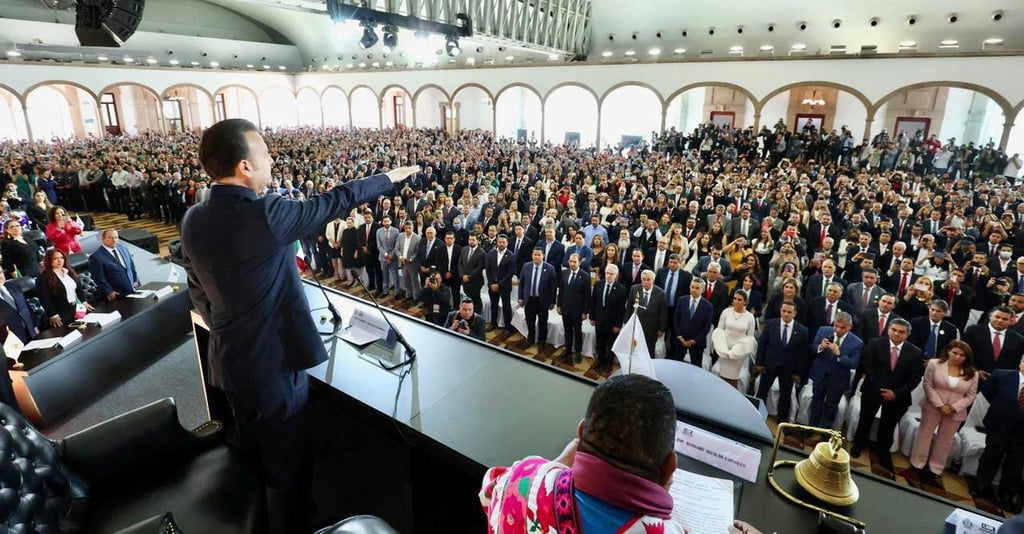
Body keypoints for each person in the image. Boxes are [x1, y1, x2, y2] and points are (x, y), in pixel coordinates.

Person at [180, 118, 418, 531]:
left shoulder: (193, 218)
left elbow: (197, 288)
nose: (272, 161)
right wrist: (390, 177)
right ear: (244, 167)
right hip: (273, 368)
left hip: (229, 362)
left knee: (252, 458)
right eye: (265, 154)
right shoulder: (265, 214)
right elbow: (334, 201)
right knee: (287, 472)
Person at [479, 374, 684, 533]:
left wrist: (554, 465)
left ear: (580, 433)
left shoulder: (521, 476)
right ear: (669, 468)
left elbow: (488, 493)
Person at [850, 318, 925, 474]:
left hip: (897, 397)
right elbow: (867, 368)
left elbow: (915, 379)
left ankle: (883, 451)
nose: (897, 334)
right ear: (889, 329)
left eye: (901, 332)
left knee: (888, 426)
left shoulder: (916, 353)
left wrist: (895, 393)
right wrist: (881, 389)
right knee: (865, 419)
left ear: (907, 334)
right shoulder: (875, 344)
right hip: (873, 390)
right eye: (894, 330)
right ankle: (859, 444)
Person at [909, 340, 978, 479]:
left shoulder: (972, 373)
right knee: (924, 435)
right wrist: (940, 405)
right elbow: (927, 385)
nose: (958, 357)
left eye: (962, 355)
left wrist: (953, 407)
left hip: (955, 412)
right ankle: (918, 463)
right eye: (955, 353)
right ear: (948, 351)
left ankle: (936, 468)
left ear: (967, 357)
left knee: (945, 441)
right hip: (932, 406)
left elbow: (971, 396)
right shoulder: (934, 364)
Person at [971, 356, 1024, 512]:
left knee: (1015, 465)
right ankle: (980, 485)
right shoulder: (1001, 375)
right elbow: (987, 395)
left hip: (1022, 434)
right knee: (990, 457)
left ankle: (1006, 494)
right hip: (999, 427)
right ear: (1021, 363)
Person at [755, 301, 810, 424]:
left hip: (789, 369)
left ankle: (781, 422)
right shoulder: (770, 325)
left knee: (785, 396)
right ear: (780, 311)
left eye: (789, 312)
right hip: (769, 366)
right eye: (783, 311)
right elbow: (762, 345)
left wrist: (798, 372)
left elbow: (803, 354)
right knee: (762, 391)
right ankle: (756, 416)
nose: (786, 314)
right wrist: (759, 363)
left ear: (794, 314)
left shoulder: (802, 330)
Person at [808, 312, 863, 429]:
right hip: (820, 375)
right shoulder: (823, 330)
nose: (838, 330)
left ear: (850, 327)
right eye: (836, 326)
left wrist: (840, 355)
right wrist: (820, 347)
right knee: (815, 403)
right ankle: (811, 429)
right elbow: (811, 348)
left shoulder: (857, 342)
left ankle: (825, 433)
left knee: (831, 408)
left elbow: (854, 364)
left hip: (838, 381)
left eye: (842, 328)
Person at [35, 248, 94, 329]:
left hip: (77, 307)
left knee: (89, 328)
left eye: (61, 258)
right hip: (61, 313)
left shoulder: (69, 271)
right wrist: (53, 315)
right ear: (49, 261)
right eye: (55, 259)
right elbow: (44, 299)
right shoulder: (42, 278)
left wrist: (84, 302)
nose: (59, 261)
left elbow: (78, 288)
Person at [710, 289, 758, 388]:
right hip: (724, 350)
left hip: (738, 353)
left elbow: (750, 338)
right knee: (722, 378)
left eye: (739, 300)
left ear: (745, 302)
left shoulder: (750, 317)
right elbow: (719, 330)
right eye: (735, 299)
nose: (736, 301)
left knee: (733, 380)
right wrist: (722, 348)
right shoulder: (726, 312)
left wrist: (737, 350)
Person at [589, 263, 626, 374]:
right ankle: (600, 360)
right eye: (607, 273)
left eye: (611, 274)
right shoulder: (598, 285)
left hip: (612, 323)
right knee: (599, 342)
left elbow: (621, 310)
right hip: (599, 320)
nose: (608, 276)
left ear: (616, 275)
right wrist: (592, 317)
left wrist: (617, 325)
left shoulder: (621, 289)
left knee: (611, 344)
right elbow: (594, 302)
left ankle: (609, 362)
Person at [517, 247, 557, 351]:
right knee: (530, 321)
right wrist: (520, 297)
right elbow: (521, 283)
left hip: (542, 301)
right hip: (529, 300)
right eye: (535, 254)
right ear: (532, 255)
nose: (537, 256)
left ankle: (541, 342)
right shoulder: (526, 266)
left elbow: (553, 287)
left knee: (543, 323)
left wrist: (552, 302)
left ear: (543, 256)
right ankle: (530, 339)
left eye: (539, 255)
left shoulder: (550, 268)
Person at [557, 253, 591, 365]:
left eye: (574, 262)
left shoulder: (585, 276)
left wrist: (585, 312)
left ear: (579, 262)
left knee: (577, 332)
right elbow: (561, 291)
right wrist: (559, 305)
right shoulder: (564, 273)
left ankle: (577, 351)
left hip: (578, 310)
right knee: (567, 330)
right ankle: (567, 349)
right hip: (566, 308)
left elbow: (587, 296)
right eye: (570, 261)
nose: (572, 264)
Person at [87, 229, 140, 301]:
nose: (114, 240)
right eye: (110, 237)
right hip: (116, 295)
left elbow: (131, 266)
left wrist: (135, 280)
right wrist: (109, 292)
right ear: (103, 239)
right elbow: (99, 278)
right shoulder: (96, 257)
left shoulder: (123, 248)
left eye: (116, 237)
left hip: (132, 290)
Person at [674, 278, 715, 369]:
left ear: (703, 290)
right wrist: (680, 337)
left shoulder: (708, 306)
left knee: (696, 368)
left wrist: (694, 341)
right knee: (677, 366)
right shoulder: (681, 300)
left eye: (697, 288)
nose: (694, 290)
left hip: (697, 343)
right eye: (692, 287)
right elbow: (676, 320)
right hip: (681, 340)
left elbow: (706, 327)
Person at [626, 270, 667, 359]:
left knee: (649, 350)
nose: (646, 282)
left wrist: (662, 329)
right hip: (636, 326)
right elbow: (629, 307)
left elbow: (663, 313)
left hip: (651, 329)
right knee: (634, 348)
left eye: (648, 280)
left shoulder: (661, 293)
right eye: (643, 279)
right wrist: (626, 323)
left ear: (653, 280)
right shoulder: (634, 289)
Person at [484, 234, 515, 332]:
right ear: (497, 242)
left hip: (504, 286)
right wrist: (491, 283)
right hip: (492, 285)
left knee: (506, 307)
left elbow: (510, 273)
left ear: (507, 243)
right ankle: (493, 323)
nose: (501, 244)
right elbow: (488, 270)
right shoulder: (491, 253)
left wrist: (498, 284)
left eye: (503, 242)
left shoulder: (511, 255)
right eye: (500, 242)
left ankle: (508, 327)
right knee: (494, 305)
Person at [0, 268, 36, 346]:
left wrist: (35, 326)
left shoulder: (13, 285)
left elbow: (27, 306)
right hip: (11, 341)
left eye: (0, 272)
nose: (0, 276)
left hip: (30, 332)